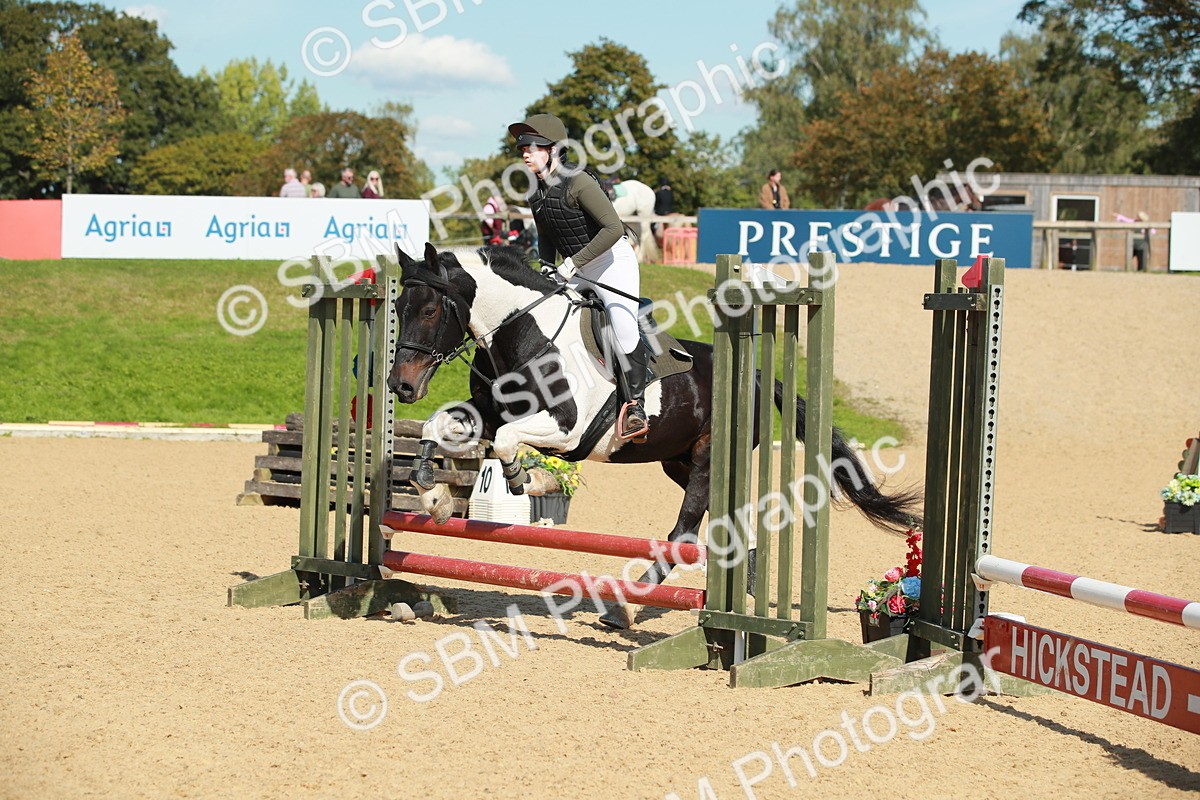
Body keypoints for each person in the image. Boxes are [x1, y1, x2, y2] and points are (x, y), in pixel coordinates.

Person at [508, 112, 650, 441]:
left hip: (612, 262)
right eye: (522, 149)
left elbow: (614, 229)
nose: (525, 153)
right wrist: (545, 267)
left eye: (531, 147)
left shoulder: (579, 182)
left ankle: (634, 406)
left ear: (554, 149)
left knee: (624, 327)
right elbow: (546, 234)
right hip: (577, 266)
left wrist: (572, 264)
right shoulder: (536, 191)